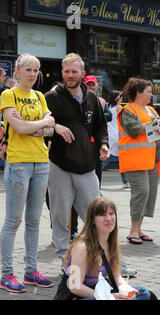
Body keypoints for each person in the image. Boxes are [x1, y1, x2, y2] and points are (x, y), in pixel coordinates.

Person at [44, 53, 110, 263]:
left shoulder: (92, 98)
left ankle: (104, 256)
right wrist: (55, 127)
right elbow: (40, 125)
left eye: (74, 71)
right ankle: (64, 258)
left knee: (96, 213)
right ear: (62, 72)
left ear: (82, 73)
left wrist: (103, 145)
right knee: (60, 216)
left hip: (87, 165)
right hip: (60, 164)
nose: (70, 75)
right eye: (66, 71)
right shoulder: (51, 97)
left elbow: (100, 126)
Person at [0, 53, 55, 293]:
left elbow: (50, 129)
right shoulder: (8, 94)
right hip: (19, 163)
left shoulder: (40, 96)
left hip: (41, 163)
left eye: (36, 71)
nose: (33, 74)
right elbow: (19, 127)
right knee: (14, 221)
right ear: (18, 70)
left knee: (34, 221)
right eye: (28, 70)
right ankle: (6, 273)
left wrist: (35, 126)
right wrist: (40, 124)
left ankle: (31, 271)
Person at [61, 197, 153, 300]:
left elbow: (117, 276)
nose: (108, 218)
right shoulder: (81, 248)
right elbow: (75, 287)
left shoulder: (111, 243)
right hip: (78, 296)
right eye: (102, 215)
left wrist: (127, 290)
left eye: (111, 214)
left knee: (144, 293)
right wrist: (108, 296)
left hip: (100, 291)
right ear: (92, 220)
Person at [118, 77, 160, 244]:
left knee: (149, 195)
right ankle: (133, 231)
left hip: (152, 159)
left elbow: (152, 133)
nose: (151, 95)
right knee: (141, 193)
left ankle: (139, 229)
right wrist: (156, 126)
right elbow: (133, 129)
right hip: (135, 159)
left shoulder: (151, 111)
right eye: (148, 92)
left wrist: (159, 129)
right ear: (138, 92)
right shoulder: (128, 110)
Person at [101, 90, 129, 188]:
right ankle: (125, 181)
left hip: (109, 135)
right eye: (121, 97)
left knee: (106, 157)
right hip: (117, 135)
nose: (122, 99)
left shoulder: (107, 107)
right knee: (123, 159)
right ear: (118, 99)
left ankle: (96, 174)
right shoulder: (119, 107)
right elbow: (124, 122)